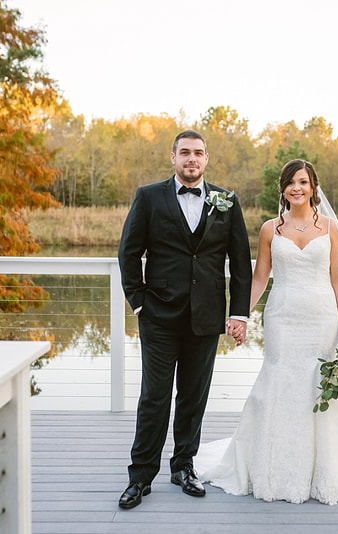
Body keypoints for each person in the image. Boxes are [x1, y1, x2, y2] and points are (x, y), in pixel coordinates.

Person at [195, 159, 338, 505]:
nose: (297, 188)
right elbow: (261, 277)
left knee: (315, 385)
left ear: (313, 188)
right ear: (283, 189)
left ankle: (321, 469)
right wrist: (239, 315)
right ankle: (270, 464)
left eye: (304, 182)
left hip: (321, 316)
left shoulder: (328, 228)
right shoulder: (270, 229)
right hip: (282, 317)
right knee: (278, 382)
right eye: (291, 182)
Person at [117, 129, 252, 510]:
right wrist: (139, 303)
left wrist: (238, 313)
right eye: (185, 153)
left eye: (198, 154)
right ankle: (141, 477)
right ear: (172, 157)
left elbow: (241, 264)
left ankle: (183, 467)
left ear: (206, 159)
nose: (192, 159)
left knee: (193, 398)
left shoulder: (226, 201)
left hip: (206, 319)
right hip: (158, 315)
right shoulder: (149, 197)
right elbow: (128, 253)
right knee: (154, 398)